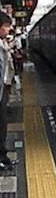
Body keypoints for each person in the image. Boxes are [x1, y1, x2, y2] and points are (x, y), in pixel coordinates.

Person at [0, 12, 14, 169]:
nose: (9, 29)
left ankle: (2, 155)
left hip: (3, 89)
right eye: (6, 26)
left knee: (2, 124)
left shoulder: (2, 44)